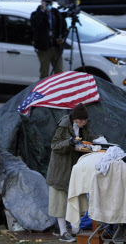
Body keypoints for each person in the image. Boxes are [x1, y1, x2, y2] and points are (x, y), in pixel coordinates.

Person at [46, 103, 94, 242]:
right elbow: (54, 145)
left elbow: (88, 140)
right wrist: (69, 142)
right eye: (80, 120)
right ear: (74, 118)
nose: (83, 123)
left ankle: (75, 229)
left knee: (76, 198)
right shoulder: (63, 126)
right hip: (60, 169)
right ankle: (62, 232)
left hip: (75, 168)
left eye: (85, 120)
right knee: (60, 201)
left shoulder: (84, 126)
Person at [30, 0, 67, 79]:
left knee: (59, 71)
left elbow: (63, 27)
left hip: (56, 47)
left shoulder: (56, 13)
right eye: (46, 3)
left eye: (49, 2)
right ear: (42, 3)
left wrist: (61, 37)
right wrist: (42, 12)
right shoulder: (36, 14)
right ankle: (44, 90)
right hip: (44, 49)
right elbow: (35, 25)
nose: (48, 4)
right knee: (44, 72)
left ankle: (58, 89)